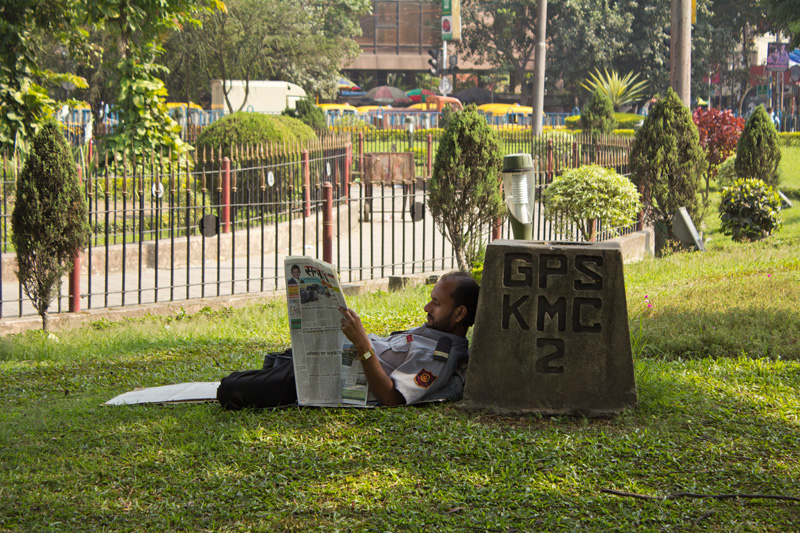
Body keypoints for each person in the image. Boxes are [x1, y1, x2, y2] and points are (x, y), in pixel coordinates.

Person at [216, 271, 480, 409]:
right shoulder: (432, 331)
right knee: (263, 369)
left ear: (460, 313)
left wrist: (362, 344)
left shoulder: (439, 356)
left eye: (436, 303)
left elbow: (391, 398)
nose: (426, 307)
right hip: (331, 358)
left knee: (228, 390)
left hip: (331, 378)